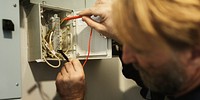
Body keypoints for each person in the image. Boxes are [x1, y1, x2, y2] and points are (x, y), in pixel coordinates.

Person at [56, 0, 200, 100]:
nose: (126, 58)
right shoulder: (178, 77)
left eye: (143, 48)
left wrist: (73, 97)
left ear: (194, 52)